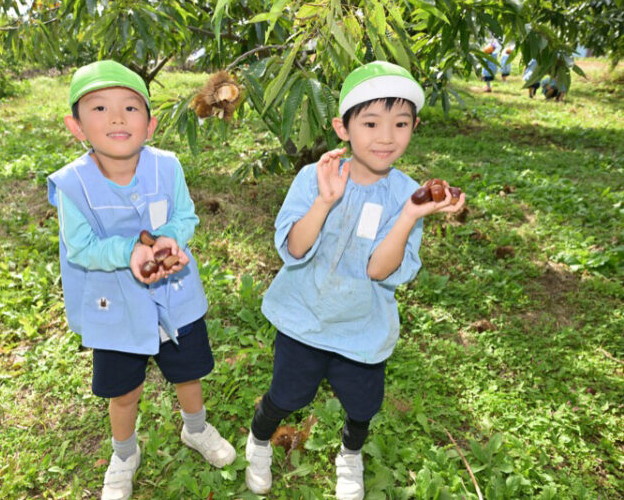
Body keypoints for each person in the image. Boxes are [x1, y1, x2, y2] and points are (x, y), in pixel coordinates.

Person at [243, 61, 465, 499]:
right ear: (342, 128)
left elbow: (378, 271)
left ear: (414, 127)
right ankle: (259, 440)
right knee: (286, 395)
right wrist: (325, 202)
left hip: (362, 324)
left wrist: (409, 215)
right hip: (304, 315)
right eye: (370, 122)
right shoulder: (315, 177)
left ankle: (350, 453)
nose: (386, 136)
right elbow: (295, 249)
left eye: (401, 123)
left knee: (363, 404)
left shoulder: (407, 195)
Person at [47, 60, 235, 500]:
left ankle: (196, 428)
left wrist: (170, 238)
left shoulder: (167, 168)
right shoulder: (74, 186)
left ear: (149, 125)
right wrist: (127, 252)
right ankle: (124, 453)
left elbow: (184, 215)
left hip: (175, 297)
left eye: (130, 108)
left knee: (188, 375)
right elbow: (81, 248)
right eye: (99, 109)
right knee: (124, 391)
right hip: (114, 308)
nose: (116, 118)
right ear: (75, 127)